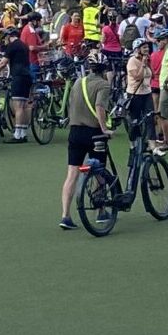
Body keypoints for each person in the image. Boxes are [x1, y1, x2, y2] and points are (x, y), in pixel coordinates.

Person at [60, 51, 114, 231]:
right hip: (94, 133)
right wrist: (105, 128)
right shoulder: (103, 85)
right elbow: (100, 107)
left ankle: (65, 215)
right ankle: (101, 210)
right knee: (99, 173)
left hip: (75, 131)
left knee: (72, 174)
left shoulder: (78, 82)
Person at [2, 26, 35, 142]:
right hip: (27, 76)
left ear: (8, 36)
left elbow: (3, 62)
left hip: (18, 76)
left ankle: (17, 135)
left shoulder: (12, 46)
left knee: (18, 106)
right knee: (25, 105)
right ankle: (23, 132)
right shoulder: (23, 45)